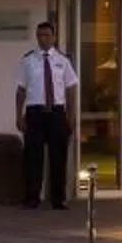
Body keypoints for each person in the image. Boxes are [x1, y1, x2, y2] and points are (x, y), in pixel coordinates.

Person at [13, 20, 81, 211]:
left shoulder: (63, 61)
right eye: (40, 35)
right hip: (35, 113)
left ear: (54, 37)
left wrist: (71, 115)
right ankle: (32, 197)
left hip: (57, 113)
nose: (43, 39)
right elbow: (21, 90)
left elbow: (71, 89)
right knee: (33, 157)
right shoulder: (28, 60)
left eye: (47, 35)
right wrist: (19, 116)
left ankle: (58, 199)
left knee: (58, 157)